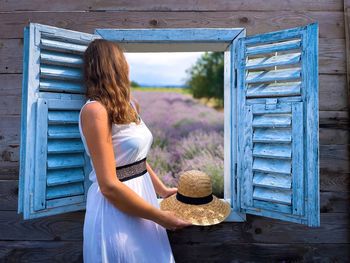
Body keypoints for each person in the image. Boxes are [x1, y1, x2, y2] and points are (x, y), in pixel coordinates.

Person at [79, 39, 192, 263]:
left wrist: (162, 190)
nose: (128, 66)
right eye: (123, 60)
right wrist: (160, 217)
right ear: (113, 66)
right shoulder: (95, 111)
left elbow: (136, 159)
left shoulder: (130, 105)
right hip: (115, 210)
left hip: (144, 200)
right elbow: (109, 186)